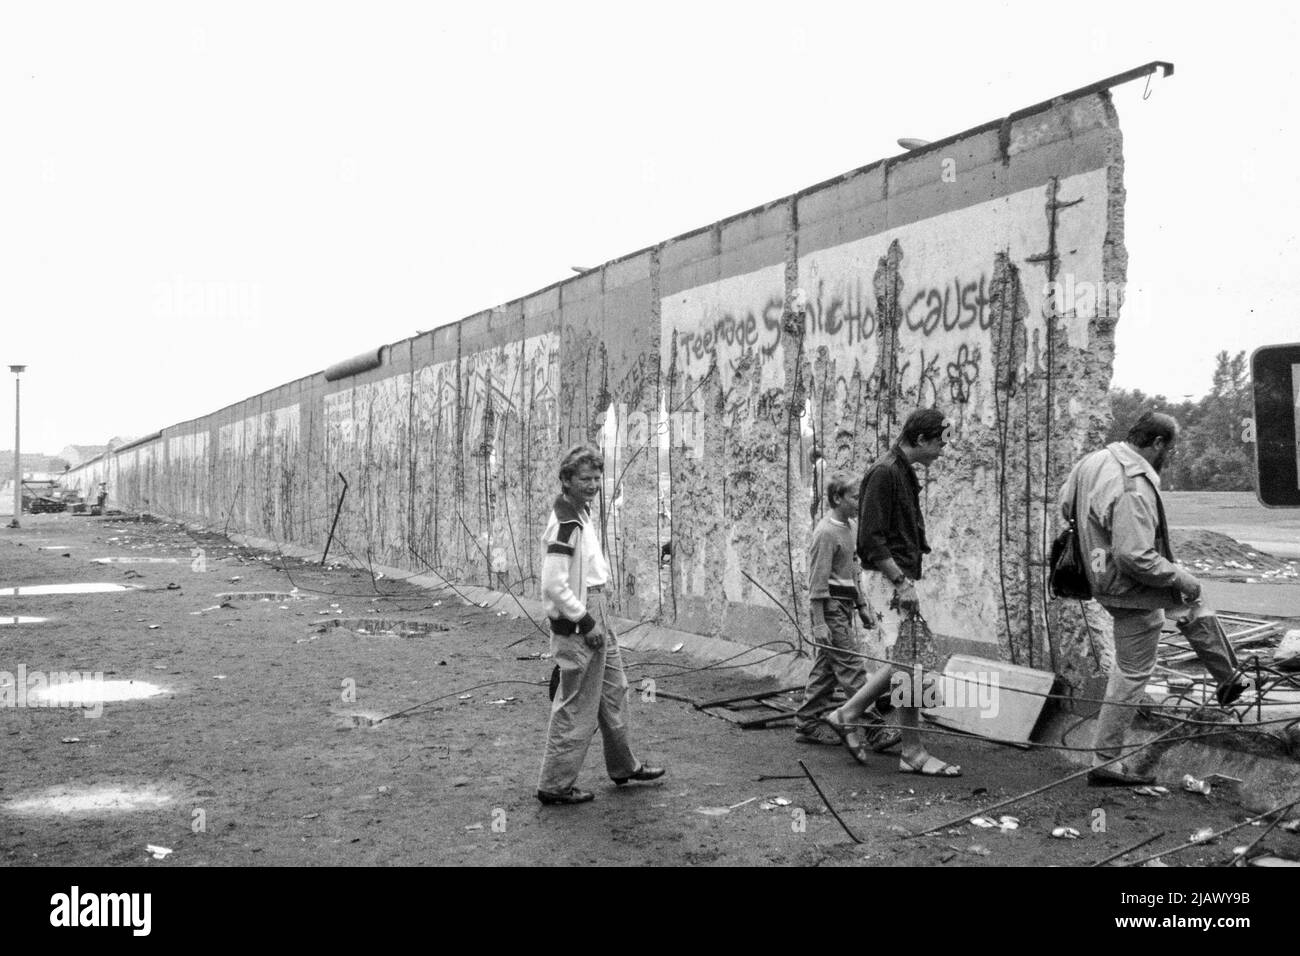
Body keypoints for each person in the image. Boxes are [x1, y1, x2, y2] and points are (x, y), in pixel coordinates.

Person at [1059, 411, 1251, 787]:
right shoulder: (1133, 483)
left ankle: (1228, 676)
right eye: (1170, 449)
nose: (1169, 456)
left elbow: (1067, 505)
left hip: (1101, 574)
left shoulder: (1094, 461)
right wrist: (1180, 574)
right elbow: (1134, 555)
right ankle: (1105, 762)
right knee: (1132, 671)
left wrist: (1096, 536)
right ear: (1157, 443)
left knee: (1188, 601)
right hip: (1125, 584)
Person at [823, 408, 962, 776]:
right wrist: (901, 582)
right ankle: (911, 751)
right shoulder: (885, 472)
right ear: (920, 439)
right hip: (890, 581)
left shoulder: (900, 471)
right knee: (910, 665)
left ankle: (848, 714)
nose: (941, 452)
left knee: (909, 662)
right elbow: (870, 541)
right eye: (938, 443)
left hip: (898, 578)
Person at [536, 444, 665, 805]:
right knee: (576, 703)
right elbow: (553, 585)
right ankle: (555, 784)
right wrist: (586, 620)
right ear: (566, 480)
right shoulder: (566, 523)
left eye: (596, 477)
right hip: (581, 617)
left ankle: (624, 765)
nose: (593, 484)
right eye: (584, 478)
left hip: (596, 608)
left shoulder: (581, 512)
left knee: (614, 690)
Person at [793, 473, 900, 751]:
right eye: (854, 497)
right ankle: (875, 729)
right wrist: (819, 623)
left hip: (845, 607)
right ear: (837, 498)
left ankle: (806, 721)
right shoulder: (825, 533)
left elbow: (853, 571)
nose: (859, 502)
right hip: (830, 610)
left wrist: (862, 606)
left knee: (828, 669)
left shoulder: (850, 528)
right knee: (852, 668)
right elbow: (817, 583)